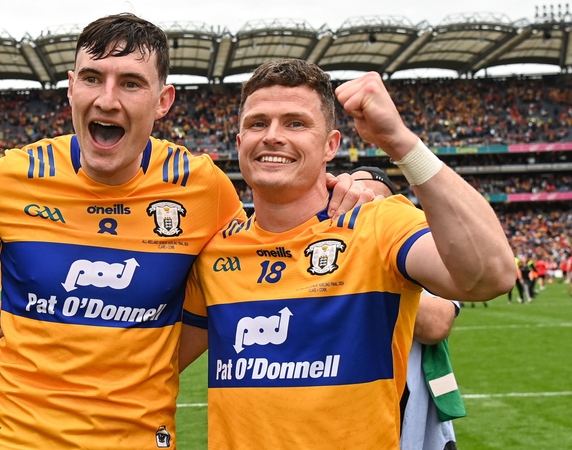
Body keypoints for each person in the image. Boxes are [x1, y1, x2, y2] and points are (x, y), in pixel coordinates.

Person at [0, 14, 369, 450]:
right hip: (9, 437)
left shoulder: (204, 189)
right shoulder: (13, 175)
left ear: (163, 101)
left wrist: (371, 183)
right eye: (92, 78)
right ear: (70, 89)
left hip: (136, 439)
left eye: (131, 83)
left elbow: (268, 260)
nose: (107, 99)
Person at [179, 59, 515, 449]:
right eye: (257, 123)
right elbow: (154, 361)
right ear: (239, 143)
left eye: (295, 123)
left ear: (330, 145)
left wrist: (400, 143)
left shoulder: (378, 223)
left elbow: (491, 275)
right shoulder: (215, 252)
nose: (272, 136)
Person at [350, 167, 465, 450]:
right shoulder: (325, 252)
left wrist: (360, 280)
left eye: (377, 202)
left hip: (416, 415)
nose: (366, 207)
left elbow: (437, 324)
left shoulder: (415, 251)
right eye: (354, 197)